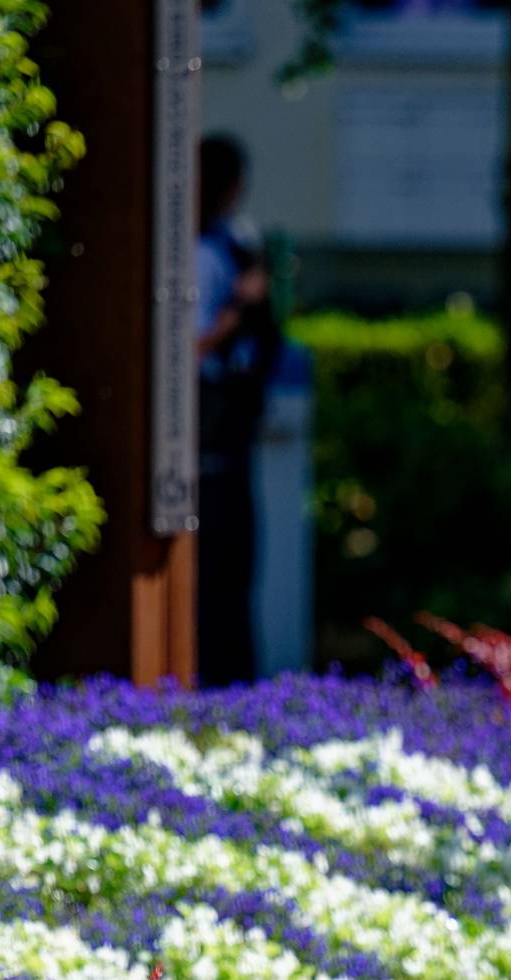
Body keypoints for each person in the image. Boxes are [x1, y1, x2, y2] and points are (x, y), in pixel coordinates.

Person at [194, 133, 276, 685]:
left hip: (230, 429)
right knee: (214, 572)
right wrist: (235, 314)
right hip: (203, 431)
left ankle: (234, 682)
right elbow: (192, 344)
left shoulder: (233, 245)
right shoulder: (201, 253)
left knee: (233, 569)